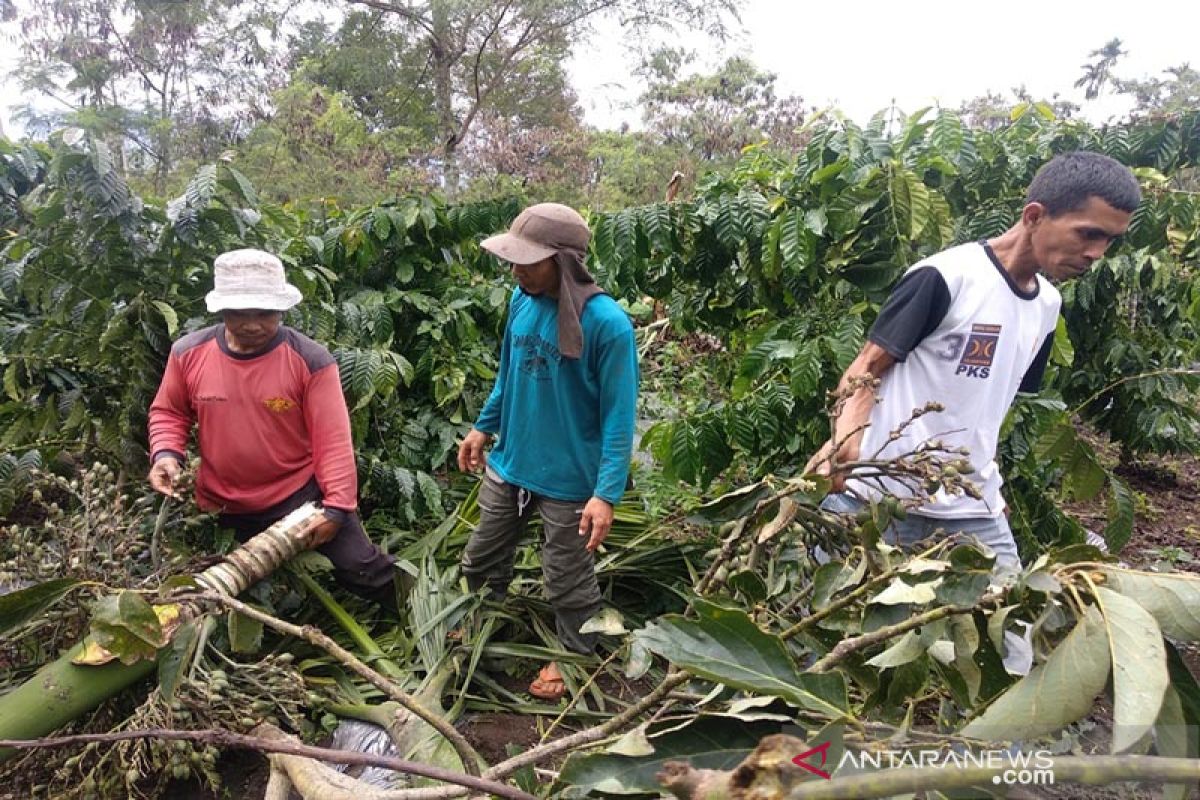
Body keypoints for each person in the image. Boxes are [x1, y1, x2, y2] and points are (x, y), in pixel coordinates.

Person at [807, 151, 1141, 573]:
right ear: (1035, 215)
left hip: (972, 511)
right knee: (822, 622)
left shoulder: (1048, 305)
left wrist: (991, 494)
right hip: (876, 496)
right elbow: (865, 367)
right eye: (1088, 234)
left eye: (1109, 241)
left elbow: (986, 407)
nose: (1096, 253)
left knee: (1013, 634)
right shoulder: (947, 277)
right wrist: (843, 440)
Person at [457, 203, 638, 701]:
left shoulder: (607, 324)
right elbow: (508, 376)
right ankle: (479, 623)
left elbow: (620, 418)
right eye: (513, 261)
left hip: (570, 478)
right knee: (482, 556)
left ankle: (574, 655)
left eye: (528, 262)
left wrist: (606, 494)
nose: (515, 271)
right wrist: (483, 427)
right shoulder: (521, 300)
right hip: (513, 460)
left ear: (564, 261)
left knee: (566, 577)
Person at [147, 248, 396, 603]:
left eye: (264, 313)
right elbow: (169, 412)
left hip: (297, 499)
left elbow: (333, 441)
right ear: (222, 311)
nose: (253, 325)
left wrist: (337, 510)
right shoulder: (188, 353)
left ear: (282, 309)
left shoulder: (310, 360)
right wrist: (166, 455)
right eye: (240, 314)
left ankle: (430, 613)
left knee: (361, 568)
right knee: (200, 591)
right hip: (218, 506)